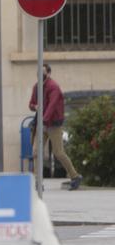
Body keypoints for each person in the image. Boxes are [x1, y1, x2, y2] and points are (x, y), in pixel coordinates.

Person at [29, 63, 82, 191]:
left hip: (53, 124)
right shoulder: (36, 87)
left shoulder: (54, 87)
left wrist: (44, 120)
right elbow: (31, 103)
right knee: (36, 152)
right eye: (38, 72)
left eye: (42, 72)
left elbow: (52, 106)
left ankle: (75, 176)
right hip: (42, 123)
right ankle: (37, 181)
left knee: (58, 152)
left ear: (48, 73)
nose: (40, 75)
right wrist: (33, 106)